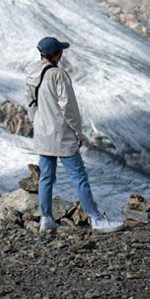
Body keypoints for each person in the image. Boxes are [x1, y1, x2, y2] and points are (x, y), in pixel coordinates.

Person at [25, 36, 123, 234]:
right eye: (60, 51)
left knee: (46, 177)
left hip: (43, 134)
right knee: (79, 177)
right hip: (62, 133)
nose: (62, 54)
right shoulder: (58, 75)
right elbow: (68, 107)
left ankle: (46, 219)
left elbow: (30, 103)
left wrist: (38, 124)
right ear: (55, 54)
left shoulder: (31, 73)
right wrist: (78, 132)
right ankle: (95, 218)